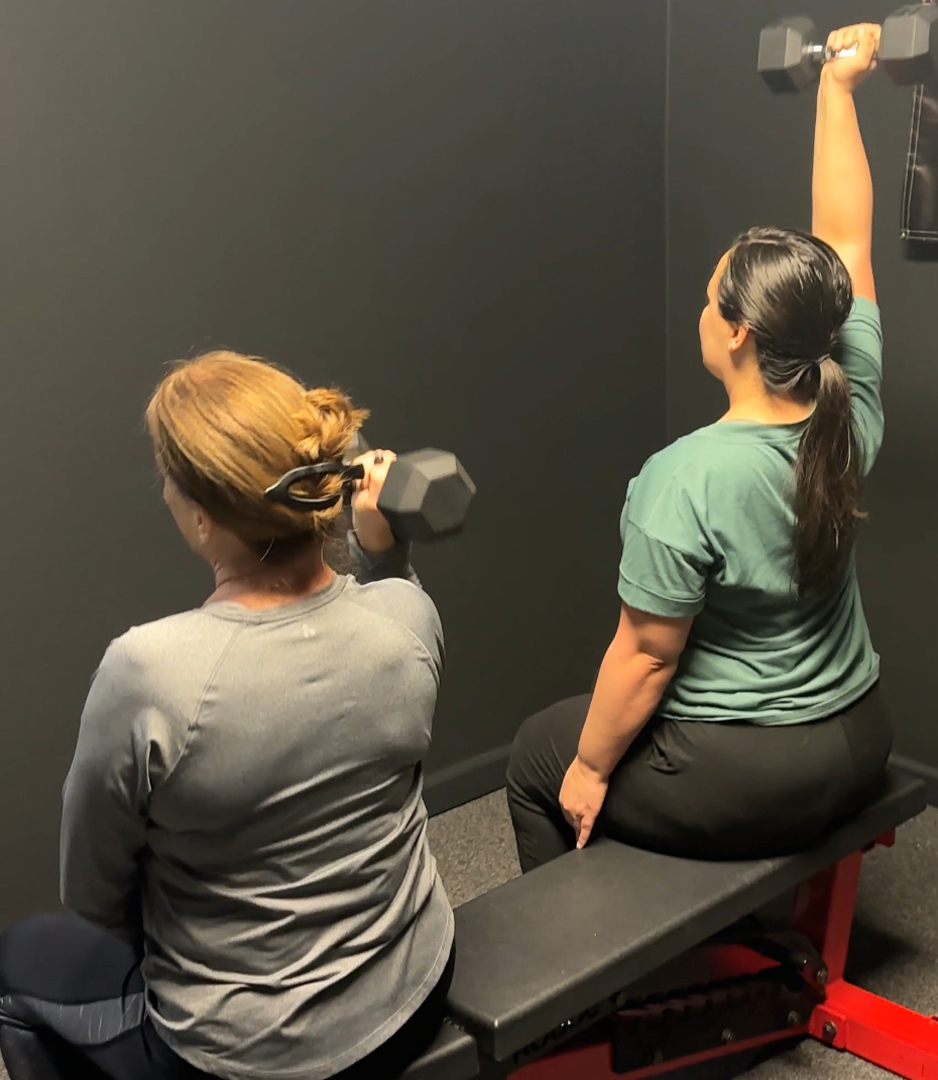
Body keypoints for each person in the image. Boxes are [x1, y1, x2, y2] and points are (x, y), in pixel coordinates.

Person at [0, 353, 454, 1080]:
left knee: (19, 960)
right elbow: (383, 612)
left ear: (203, 517)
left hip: (246, 1060)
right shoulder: (406, 618)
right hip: (415, 994)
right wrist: (383, 548)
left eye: (169, 481)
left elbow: (92, 894)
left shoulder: (148, 673)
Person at [507, 24, 893, 872]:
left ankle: (587, 960)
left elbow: (647, 658)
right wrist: (838, 90)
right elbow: (847, 243)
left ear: (739, 332)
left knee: (540, 756)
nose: (701, 311)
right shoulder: (849, 408)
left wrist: (589, 769)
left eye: (711, 299)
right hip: (860, 735)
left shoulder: (684, 478)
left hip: (754, 775)